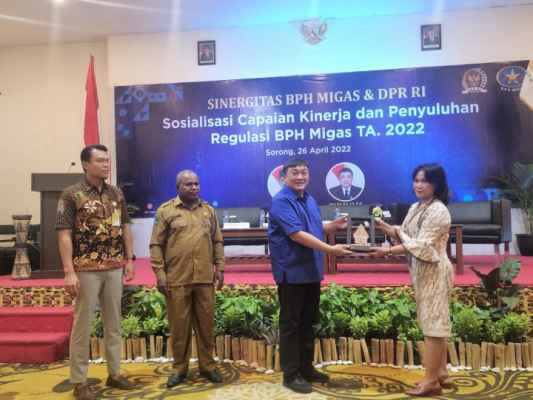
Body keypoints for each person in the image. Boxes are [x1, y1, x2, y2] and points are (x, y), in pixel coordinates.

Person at [56, 144, 136, 400]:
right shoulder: (71, 194)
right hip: (85, 268)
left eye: (107, 160)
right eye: (100, 160)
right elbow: (64, 234)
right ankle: (79, 381)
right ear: (85, 164)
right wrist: (69, 271)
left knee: (114, 324)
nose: (106, 164)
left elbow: (125, 226)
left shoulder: (116, 193)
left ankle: (115, 373)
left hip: (114, 267)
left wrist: (130, 258)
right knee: (83, 325)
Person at [268, 159, 352, 394]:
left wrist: (331, 226)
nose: (300, 177)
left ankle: (306, 368)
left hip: (311, 272)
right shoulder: (281, 201)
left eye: (304, 172)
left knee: (308, 324)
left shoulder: (309, 199)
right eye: (295, 173)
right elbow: (296, 234)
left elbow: (312, 228)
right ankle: (291, 374)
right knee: (291, 325)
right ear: (284, 178)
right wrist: (330, 250)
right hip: (292, 273)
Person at [369, 163, 453, 397]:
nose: (419, 185)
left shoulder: (438, 210)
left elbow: (421, 245)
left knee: (434, 325)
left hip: (435, 271)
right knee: (431, 322)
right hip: (421, 272)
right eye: (416, 180)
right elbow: (405, 234)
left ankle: (431, 381)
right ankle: (441, 374)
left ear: (436, 184)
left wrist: (387, 251)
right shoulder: (416, 207)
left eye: (424, 181)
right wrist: (385, 227)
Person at [150, 170, 224, 388]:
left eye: (196, 184)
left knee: (206, 326)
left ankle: (207, 366)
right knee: (179, 327)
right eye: (189, 184)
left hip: (204, 278)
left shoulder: (208, 211)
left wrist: (220, 267)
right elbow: (156, 244)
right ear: (178, 187)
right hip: (177, 278)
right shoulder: (166, 211)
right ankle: (179, 368)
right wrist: (159, 273)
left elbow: (217, 240)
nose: (194, 187)